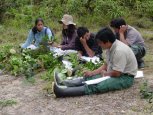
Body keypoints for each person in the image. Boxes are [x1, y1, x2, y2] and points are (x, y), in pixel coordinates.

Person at [52, 27, 137, 98]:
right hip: (115, 73)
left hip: (125, 78)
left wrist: (106, 74)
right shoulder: (110, 47)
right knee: (89, 78)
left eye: (100, 43)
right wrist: (92, 73)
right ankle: (63, 83)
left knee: (97, 86)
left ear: (107, 41)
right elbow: (106, 65)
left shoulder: (119, 50)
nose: (99, 45)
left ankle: (61, 92)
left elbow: (117, 73)